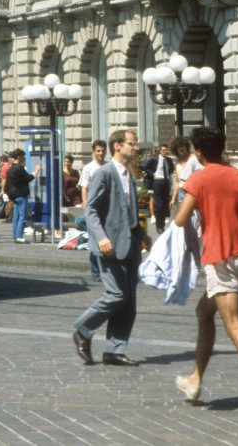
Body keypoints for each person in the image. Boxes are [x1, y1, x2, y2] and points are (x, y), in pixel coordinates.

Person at [173, 125, 238, 402]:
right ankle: (195, 379)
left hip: (221, 256)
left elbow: (180, 219)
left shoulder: (199, 179)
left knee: (235, 324)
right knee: (204, 312)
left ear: (199, 152)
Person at [72, 129, 143, 367]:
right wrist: (101, 236)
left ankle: (114, 351)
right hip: (108, 245)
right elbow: (90, 210)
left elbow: (126, 211)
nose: (136, 148)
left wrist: (142, 235)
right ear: (117, 146)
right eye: (132, 144)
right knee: (116, 294)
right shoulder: (104, 173)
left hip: (130, 244)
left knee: (129, 301)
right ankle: (83, 330)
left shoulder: (128, 174)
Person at [79, 140, 107, 279]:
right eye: (98, 151)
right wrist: (87, 209)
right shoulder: (88, 168)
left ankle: (107, 270)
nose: (101, 153)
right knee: (94, 241)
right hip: (94, 210)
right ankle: (95, 271)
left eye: (103, 150)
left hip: (107, 210)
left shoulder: (109, 166)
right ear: (93, 152)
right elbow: (84, 189)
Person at [143, 143, 174, 233]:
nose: (165, 151)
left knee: (164, 204)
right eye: (164, 150)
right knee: (159, 204)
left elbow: (171, 168)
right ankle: (158, 226)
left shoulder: (168, 159)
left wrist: (168, 174)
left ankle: (162, 225)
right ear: (160, 151)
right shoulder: (154, 159)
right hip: (157, 182)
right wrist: (152, 174)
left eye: (166, 150)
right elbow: (143, 166)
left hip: (166, 182)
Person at [5, 151, 34, 243]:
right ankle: (19, 236)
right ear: (18, 157)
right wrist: (35, 172)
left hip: (14, 195)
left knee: (16, 217)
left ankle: (15, 235)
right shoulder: (19, 168)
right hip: (21, 194)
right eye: (23, 156)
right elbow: (27, 178)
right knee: (22, 217)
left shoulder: (11, 169)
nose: (25, 158)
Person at [170, 136, 200, 204]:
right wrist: (173, 198)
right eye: (178, 147)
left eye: (183, 146)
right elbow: (177, 181)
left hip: (192, 190)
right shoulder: (177, 162)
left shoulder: (193, 158)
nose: (181, 149)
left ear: (186, 147)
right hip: (181, 191)